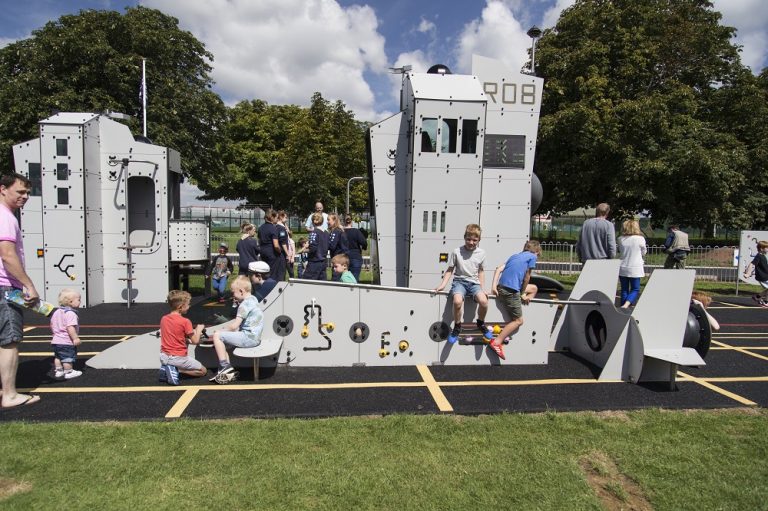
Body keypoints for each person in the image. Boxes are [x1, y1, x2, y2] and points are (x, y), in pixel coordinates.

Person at [0, 173, 41, 409]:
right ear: (3, 189)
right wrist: (28, 284)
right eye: (20, 192)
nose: (25, 197)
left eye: (27, 193)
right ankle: (10, 394)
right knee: (10, 340)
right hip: (6, 286)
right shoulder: (6, 218)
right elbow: (7, 254)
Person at [433, 224, 492, 344]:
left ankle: (480, 323)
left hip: (474, 283)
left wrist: (482, 288)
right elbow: (450, 270)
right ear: (464, 238)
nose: (471, 242)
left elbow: (481, 271)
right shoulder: (457, 252)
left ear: (479, 240)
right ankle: (458, 326)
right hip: (459, 282)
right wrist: (442, 285)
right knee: (457, 301)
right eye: (468, 239)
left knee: (484, 301)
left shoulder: (481, 253)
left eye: (474, 240)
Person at [489, 240, 541, 360]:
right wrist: (521, 293)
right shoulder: (533, 257)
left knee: (534, 288)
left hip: (502, 288)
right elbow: (527, 277)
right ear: (537, 252)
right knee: (518, 321)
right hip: (510, 291)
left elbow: (499, 269)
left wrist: (494, 286)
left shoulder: (514, 256)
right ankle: (497, 342)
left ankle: (526, 300)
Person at [210, 276, 264, 384]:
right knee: (223, 342)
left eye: (233, 293)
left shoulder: (243, 305)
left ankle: (225, 366)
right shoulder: (253, 299)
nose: (233, 296)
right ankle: (227, 370)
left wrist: (220, 330)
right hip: (255, 338)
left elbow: (234, 326)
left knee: (217, 336)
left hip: (248, 338)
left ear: (241, 291)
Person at [159, 290, 207, 385]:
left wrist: (186, 340)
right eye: (188, 304)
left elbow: (174, 336)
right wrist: (199, 329)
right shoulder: (185, 321)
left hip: (163, 356)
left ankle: (167, 368)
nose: (189, 306)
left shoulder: (164, 319)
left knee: (172, 360)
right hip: (178, 358)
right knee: (203, 371)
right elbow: (196, 341)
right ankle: (177, 370)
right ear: (180, 307)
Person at [49, 288, 83, 380]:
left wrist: (55, 334)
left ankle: (59, 371)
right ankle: (69, 371)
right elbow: (70, 327)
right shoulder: (71, 314)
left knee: (58, 356)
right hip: (66, 340)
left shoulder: (56, 312)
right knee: (67, 357)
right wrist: (75, 338)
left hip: (56, 340)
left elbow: (52, 324)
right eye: (79, 299)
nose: (80, 301)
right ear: (71, 302)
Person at [617, 219, 647, 308]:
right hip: (635, 267)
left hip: (623, 266)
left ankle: (623, 306)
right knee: (635, 288)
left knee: (624, 289)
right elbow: (644, 252)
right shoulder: (640, 239)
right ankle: (627, 304)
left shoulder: (620, 239)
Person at [258, 209, 285, 281]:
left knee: (264, 272)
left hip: (263, 252)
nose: (277, 219)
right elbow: (276, 245)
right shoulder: (273, 228)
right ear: (272, 217)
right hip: (272, 254)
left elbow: (259, 240)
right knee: (272, 274)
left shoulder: (261, 228)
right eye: (276, 217)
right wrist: (280, 251)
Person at [303, 213, 329, 280]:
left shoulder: (314, 232)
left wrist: (303, 250)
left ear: (313, 221)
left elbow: (313, 249)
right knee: (321, 283)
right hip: (323, 261)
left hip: (314, 262)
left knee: (308, 282)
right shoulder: (326, 233)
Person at [743, 240, 768, 307]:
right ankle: (765, 302)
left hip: (765, 276)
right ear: (762, 249)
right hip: (762, 277)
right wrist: (748, 273)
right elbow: (751, 264)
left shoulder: (763, 256)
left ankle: (757, 297)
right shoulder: (759, 256)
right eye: (767, 248)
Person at [344, 216, 367, 282]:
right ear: (351, 221)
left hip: (343, 257)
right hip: (355, 256)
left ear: (344, 221)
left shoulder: (341, 232)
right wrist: (364, 248)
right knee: (354, 279)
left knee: (343, 279)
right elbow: (364, 242)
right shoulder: (356, 231)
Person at [278, 211, 295, 280]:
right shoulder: (281, 227)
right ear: (281, 217)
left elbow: (290, 235)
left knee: (291, 272)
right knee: (283, 272)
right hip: (285, 252)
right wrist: (288, 254)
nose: (287, 219)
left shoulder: (284, 226)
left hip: (288, 250)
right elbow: (283, 242)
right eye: (285, 217)